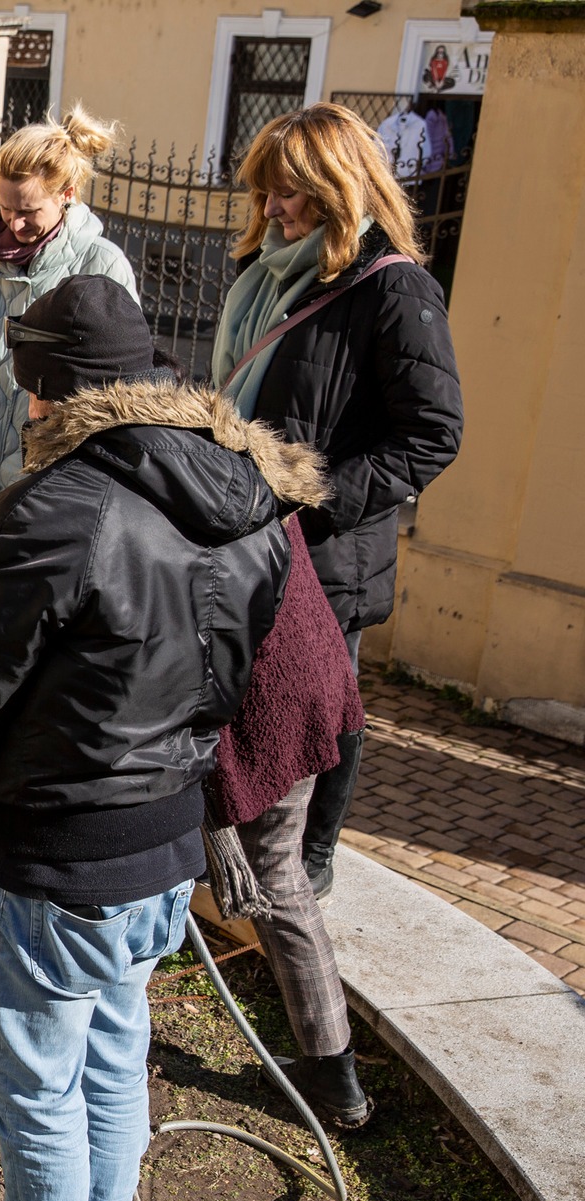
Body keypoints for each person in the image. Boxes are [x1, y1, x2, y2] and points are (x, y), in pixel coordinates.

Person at [0, 276, 306, 1201]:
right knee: (110, 1054)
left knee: (33, 1085)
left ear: (48, 392)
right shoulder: (247, 498)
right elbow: (233, 679)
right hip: (162, 850)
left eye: (27, 387)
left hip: (63, 857)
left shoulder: (56, 511)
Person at [215, 103, 463, 903]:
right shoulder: (264, 276)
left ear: (335, 187)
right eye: (264, 192)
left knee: (329, 706)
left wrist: (314, 499)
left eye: (286, 192)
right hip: (248, 532)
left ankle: (311, 859)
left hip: (327, 548)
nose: (271, 208)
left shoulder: (396, 291)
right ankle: (243, 832)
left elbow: (432, 434)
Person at [0, 106, 137, 604]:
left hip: (49, 476)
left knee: (24, 617)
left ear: (67, 194)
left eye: (28, 210)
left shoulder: (102, 265)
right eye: (4, 204)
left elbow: (123, 384)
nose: (13, 222)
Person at [203, 512, 372, 1128]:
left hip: (266, 702)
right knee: (281, 873)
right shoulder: (248, 472)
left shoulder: (171, 501)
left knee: (270, 873)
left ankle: (333, 1076)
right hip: (307, 681)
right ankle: (336, 1073)